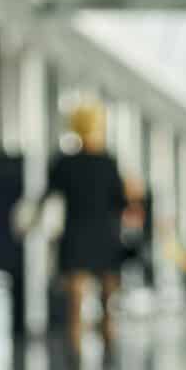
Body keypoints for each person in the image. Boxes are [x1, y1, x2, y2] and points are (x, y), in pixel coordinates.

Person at [49, 103, 134, 336]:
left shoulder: (64, 163)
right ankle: (109, 362)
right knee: (108, 306)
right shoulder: (108, 164)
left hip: (75, 238)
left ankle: (75, 367)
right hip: (105, 238)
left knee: (75, 307)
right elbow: (123, 204)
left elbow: (48, 196)